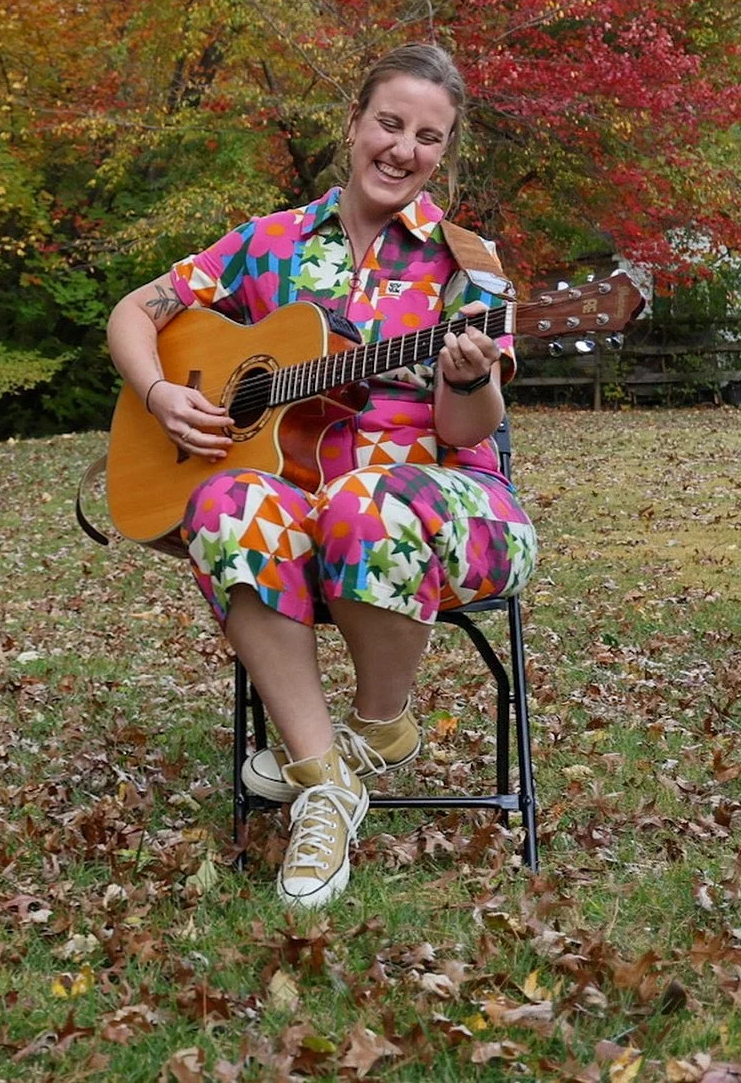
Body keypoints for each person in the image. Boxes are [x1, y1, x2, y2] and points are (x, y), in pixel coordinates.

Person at [106, 44, 537, 910]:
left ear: (443, 152)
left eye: (428, 137)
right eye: (389, 124)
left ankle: (379, 725)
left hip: (449, 512)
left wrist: (465, 378)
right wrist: (159, 393)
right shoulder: (268, 242)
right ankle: (326, 779)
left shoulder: (471, 265)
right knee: (224, 501)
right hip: (301, 510)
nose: (403, 149)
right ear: (353, 123)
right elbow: (133, 312)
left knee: (362, 502)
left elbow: (468, 429)